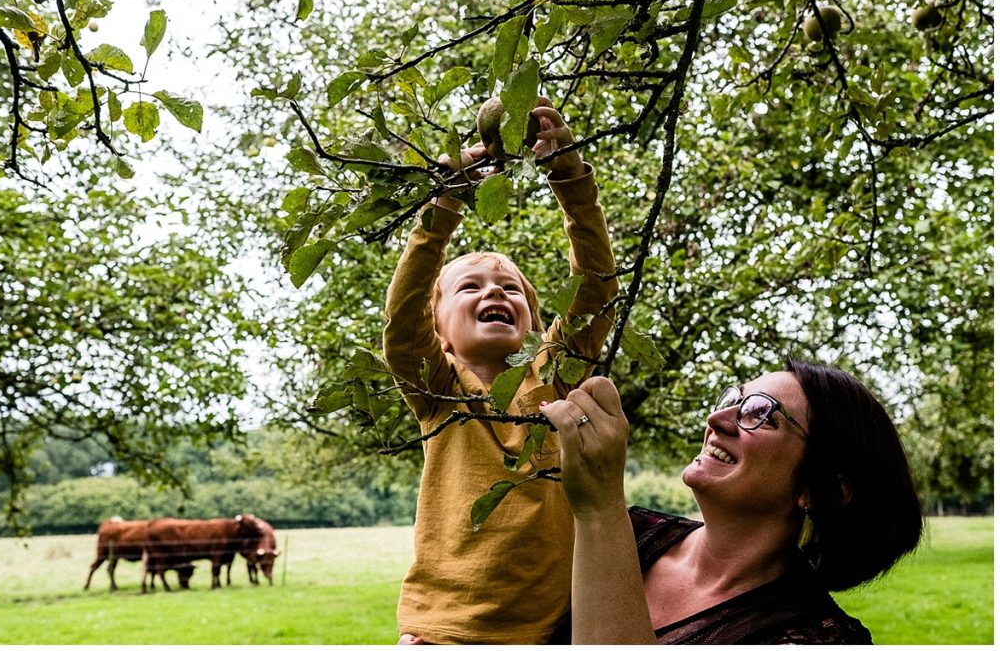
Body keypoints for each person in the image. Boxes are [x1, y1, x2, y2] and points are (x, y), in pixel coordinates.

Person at [384, 97, 618, 644]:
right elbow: (402, 316)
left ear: (535, 323)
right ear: (437, 328)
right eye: (469, 287)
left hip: (553, 628)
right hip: (445, 629)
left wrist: (569, 177)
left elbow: (595, 290)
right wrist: (443, 206)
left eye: (511, 289)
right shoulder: (437, 390)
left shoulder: (555, 375)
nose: (494, 291)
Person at [540, 358, 924, 644]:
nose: (717, 418)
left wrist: (599, 510)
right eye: (732, 400)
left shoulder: (813, 638)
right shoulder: (635, 535)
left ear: (819, 489)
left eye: (760, 414)